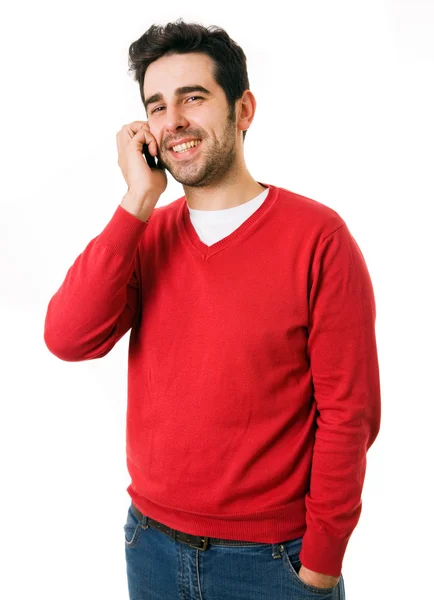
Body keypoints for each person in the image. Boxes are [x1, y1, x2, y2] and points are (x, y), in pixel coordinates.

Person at [44, 18, 381, 600]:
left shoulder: (319, 238)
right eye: (156, 105)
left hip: (274, 562)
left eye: (192, 98)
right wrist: (136, 199)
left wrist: (321, 564)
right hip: (149, 546)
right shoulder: (145, 235)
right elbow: (70, 337)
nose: (173, 121)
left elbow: (348, 415)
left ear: (243, 109)